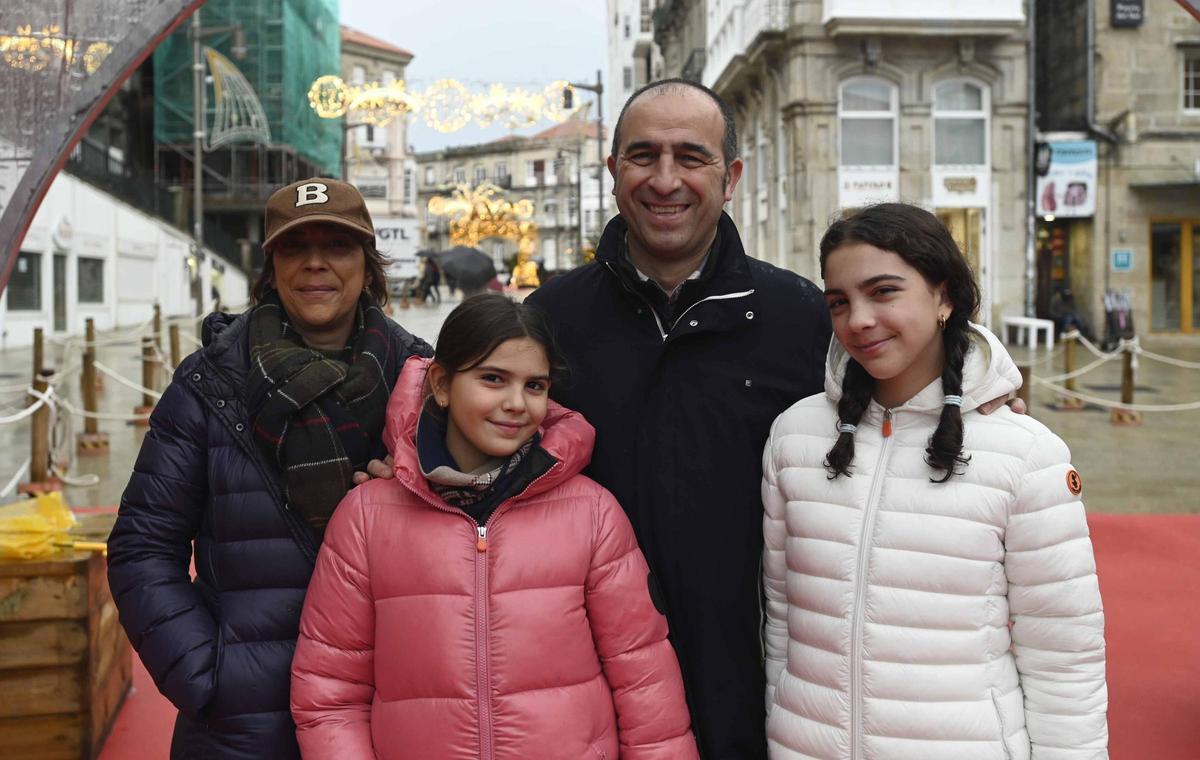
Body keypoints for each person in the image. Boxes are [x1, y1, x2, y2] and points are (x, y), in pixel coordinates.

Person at [523, 79, 832, 757]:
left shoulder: (800, 318)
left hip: (750, 689)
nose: (666, 180)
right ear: (612, 173)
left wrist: (979, 382)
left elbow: (900, 400)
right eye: (643, 156)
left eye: (691, 157)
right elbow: (472, 430)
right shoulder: (548, 320)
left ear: (731, 178)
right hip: (587, 688)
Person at [761, 203, 1108, 758]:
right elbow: (782, 624)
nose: (859, 320)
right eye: (839, 302)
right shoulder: (794, 436)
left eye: (883, 292)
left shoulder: (1024, 451)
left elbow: (1064, 657)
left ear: (944, 297)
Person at [289, 294, 699, 759]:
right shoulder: (366, 519)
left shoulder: (593, 513)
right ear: (441, 384)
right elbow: (330, 693)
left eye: (535, 386)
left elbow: (645, 684)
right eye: (492, 379)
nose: (515, 403)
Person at [106, 178, 432, 759]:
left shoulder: (424, 382)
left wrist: (416, 504)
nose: (314, 263)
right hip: (244, 720)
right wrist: (207, 676)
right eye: (293, 246)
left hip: (392, 708)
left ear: (367, 262)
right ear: (270, 264)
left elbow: (484, 537)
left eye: (337, 245)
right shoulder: (210, 383)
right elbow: (142, 546)